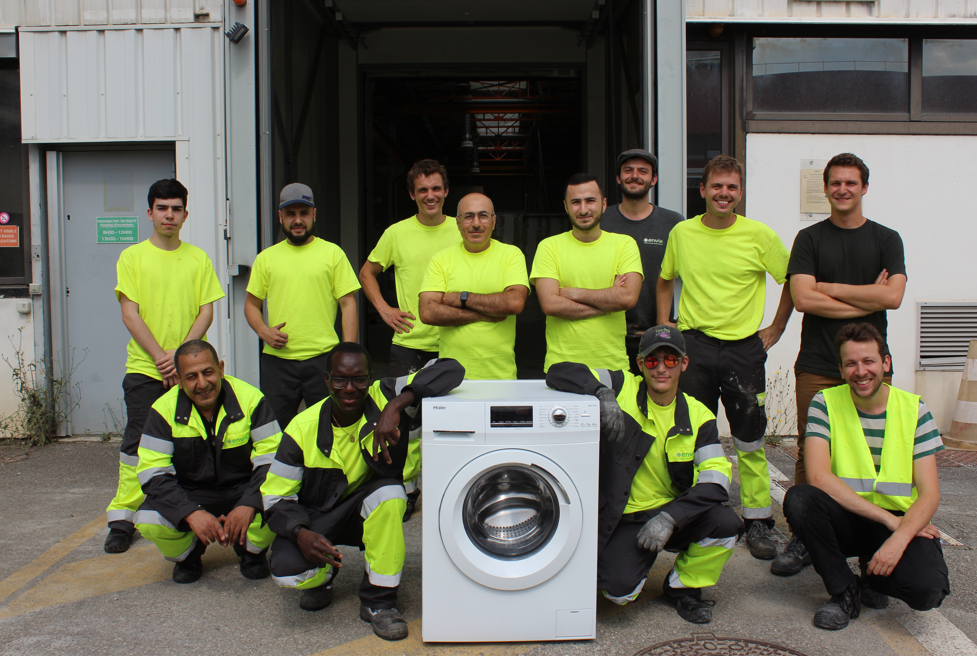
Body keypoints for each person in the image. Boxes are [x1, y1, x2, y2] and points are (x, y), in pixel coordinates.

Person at [261, 343, 464, 641]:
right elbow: (275, 497)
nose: (350, 388)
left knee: (392, 494)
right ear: (327, 380)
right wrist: (299, 532)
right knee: (286, 571)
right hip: (319, 518)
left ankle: (378, 603)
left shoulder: (385, 394)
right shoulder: (301, 428)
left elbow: (451, 368)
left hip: (365, 510)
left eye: (359, 379)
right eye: (341, 379)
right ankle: (324, 576)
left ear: (370, 379)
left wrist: (395, 406)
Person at [546, 326, 741, 624]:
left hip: (673, 515)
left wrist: (670, 518)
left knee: (726, 524)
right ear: (640, 364)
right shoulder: (622, 385)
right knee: (617, 594)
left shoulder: (700, 416)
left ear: (683, 364)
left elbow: (716, 483)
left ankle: (682, 588)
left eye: (670, 361)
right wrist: (602, 393)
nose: (661, 368)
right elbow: (559, 372)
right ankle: (634, 564)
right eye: (652, 361)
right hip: (625, 516)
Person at [772, 153, 907, 577]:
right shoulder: (809, 238)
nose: (843, 189)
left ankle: (872, 540)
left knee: (875, 451)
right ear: (825, 188)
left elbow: (893, 298)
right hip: (817, 361)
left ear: (864, 188)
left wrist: (827, 287)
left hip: (870, 364)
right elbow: (803, 299)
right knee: (809, 454)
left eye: (851, 183)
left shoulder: (887, 239)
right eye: (836, 183)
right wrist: (866, 293)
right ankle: (804, 536)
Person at [656, 154, 793, 561]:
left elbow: (791, 281)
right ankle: (697, 511)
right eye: (717, 186)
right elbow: (665, 281)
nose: (724, 193)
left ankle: (758, 521)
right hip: (694, 346)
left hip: (744, 349)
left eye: (732, 187)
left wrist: (777, 328)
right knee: (693, 435)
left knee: (750, 439)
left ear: (741, 192)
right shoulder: (682, 233)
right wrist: (666, 330)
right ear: (702, 190)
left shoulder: (760, 236)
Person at [783, 323, 948, 630]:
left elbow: (929, 493)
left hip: (897, 519)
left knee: (927, 591)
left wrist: (900, 535)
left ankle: (873, 578)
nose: (861, 371)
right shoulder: (825, 402)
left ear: (885, 363)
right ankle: (844, 591)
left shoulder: (915, 409)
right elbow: (818, 476)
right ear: (842, 370)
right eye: (851, 364)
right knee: (800, 498)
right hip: (849, 518)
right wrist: (889, 521)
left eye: (869, 361)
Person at [105, 179, 225, 554]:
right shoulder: (132, 257)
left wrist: (182, 360)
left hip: (188, 373)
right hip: (145, 367)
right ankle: (123, 517)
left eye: (176, 208)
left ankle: (188, 505)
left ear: (185, 214)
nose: (169, 215)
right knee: (137, 444)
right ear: (150, 212)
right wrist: (161, 356)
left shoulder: (198, 258)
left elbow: (206, 311)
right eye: (162, 208)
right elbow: (130, 313)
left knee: (193, 442)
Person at [359, 159, 461, 518]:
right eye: (423, 190)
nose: (430, 196)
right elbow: (367, 272)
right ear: (411, 195)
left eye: (436, 188)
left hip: (456, 342)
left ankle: (456, 486)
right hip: (410, 342)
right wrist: (385, 310)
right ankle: (407, 487)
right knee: (405, 422)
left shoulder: (463, 228)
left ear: (446, 191)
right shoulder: (396, 233)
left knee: (458, 419)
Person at [133, 340, 281, 583]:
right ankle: (188, 554)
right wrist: (190, 513)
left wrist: (249, 504)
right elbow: (152, 474)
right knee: (148, 520)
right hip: (191, 494)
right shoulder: (162, 410)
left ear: (221, 369)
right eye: (191, 376)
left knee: (284, 501)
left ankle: (251, 551)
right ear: (179, 380)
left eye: (208, 372)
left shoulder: (252, 399)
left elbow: (274, 462)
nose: (202, 384)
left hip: (242, 490)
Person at [245, 183, 360, 431]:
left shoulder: (332, 253)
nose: (298, 220)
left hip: (324, 360)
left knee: (329, 427)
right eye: (290, 214)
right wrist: (263, 332)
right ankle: (280, 471)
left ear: (314, 214)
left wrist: (347, 353)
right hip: (278, 362)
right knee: (274, 430)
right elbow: (251, 305)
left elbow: (348, 304)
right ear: (281, 217)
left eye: (304, 213)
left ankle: (323, 471)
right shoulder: (266, 258)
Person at [530, 173, 643, 373]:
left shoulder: (624, 245)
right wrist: (607, 303)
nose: (583, 210)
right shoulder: (549, 247)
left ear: (604, 204)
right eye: (575, 202)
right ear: (566, 206)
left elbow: (627, 297)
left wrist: (573, 293)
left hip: (613, 367)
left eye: (590, 201)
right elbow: (550, 304)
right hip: (562, 368)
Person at [418, 193, 529, 379]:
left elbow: (515, 302)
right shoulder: (441, 259)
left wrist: (461, 298)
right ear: (458, 223)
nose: (476, 223)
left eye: (483, 215)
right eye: (468, 216)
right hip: (451, 379)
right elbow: (428, 311)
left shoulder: (511, 255)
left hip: (500, 377)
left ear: (494, 221)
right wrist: (483, 313)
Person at [601, 149, 684, 373]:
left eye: (643, 171)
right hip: (607, 333)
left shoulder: (673, 223)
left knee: (653, 403)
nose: (635, 176)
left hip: (657, 335)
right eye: (628, 171)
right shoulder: (601, 221)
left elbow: (691, 276)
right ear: (618, 178)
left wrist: (678, 322)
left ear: (653, 179)